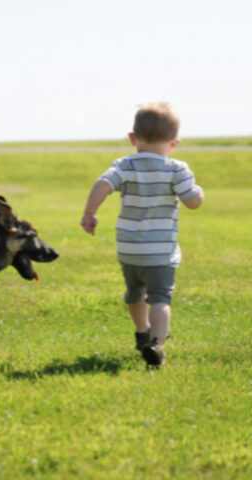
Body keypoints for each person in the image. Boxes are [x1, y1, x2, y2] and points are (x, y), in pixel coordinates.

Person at [80, 102, 203, 367]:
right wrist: (198, 192)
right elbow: (193, 202)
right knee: (160, 297)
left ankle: (141, 332)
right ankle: (157, 344)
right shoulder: (176, 169)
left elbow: (103, 184)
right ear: (174, 143)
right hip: (160, 252)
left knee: (134, 293)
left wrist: (90, 212)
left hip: (129, 249)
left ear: (133, 138)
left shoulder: (124, 165)